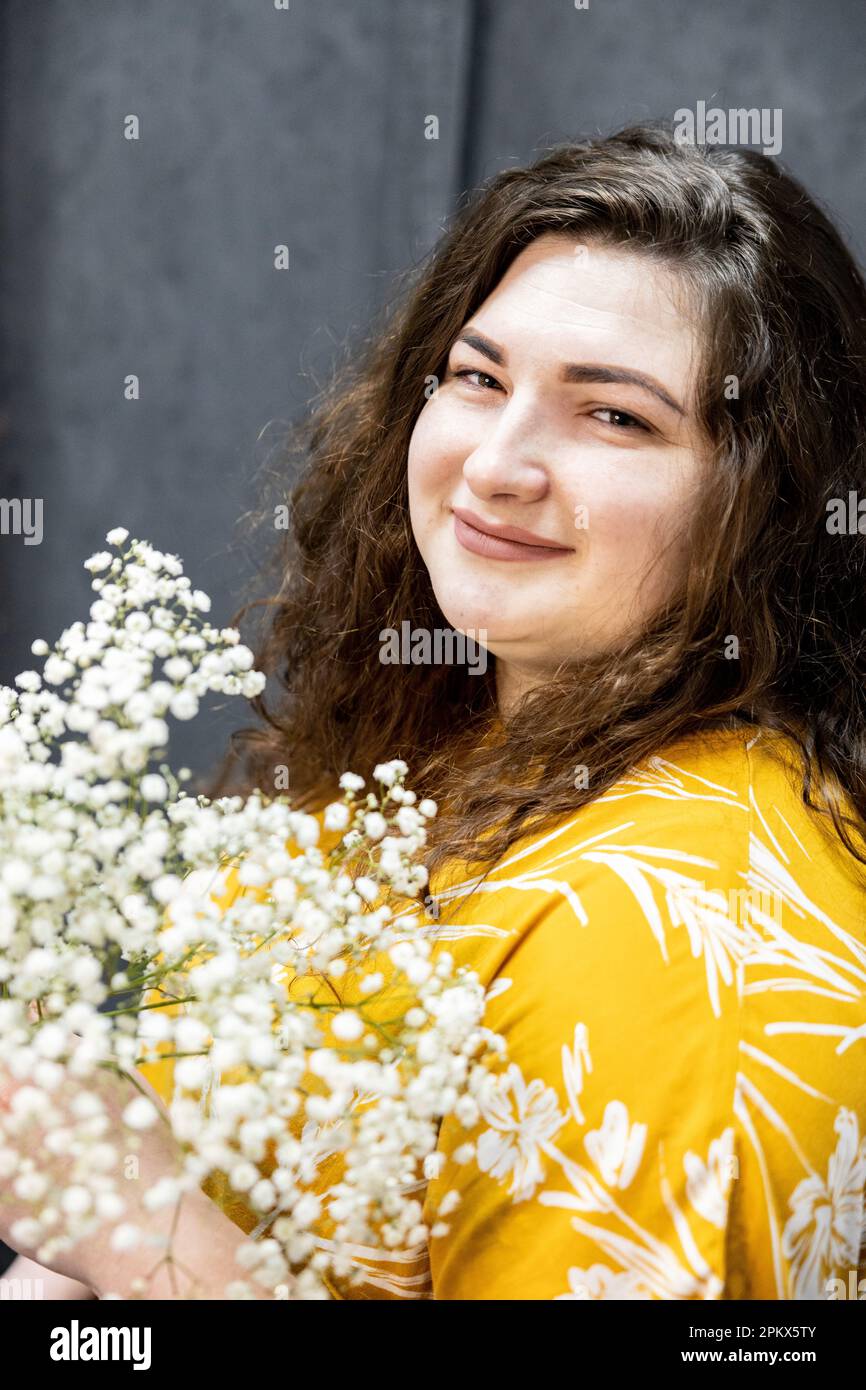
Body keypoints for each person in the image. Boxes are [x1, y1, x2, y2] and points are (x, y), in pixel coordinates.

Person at [5, 121, 866, 1300]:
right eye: (477, 377)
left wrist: (125, 1221)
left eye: (614, 415)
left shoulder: (679, 936)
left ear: (767, 499)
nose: (496, 462)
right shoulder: (444, 753)